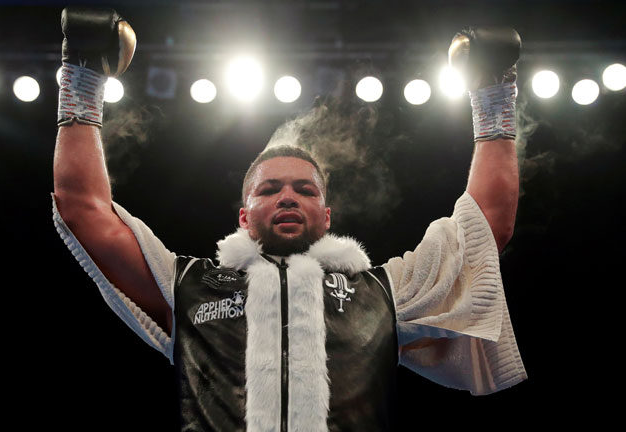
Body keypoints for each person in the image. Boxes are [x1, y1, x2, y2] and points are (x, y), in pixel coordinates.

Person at [52, 7, 527, 432]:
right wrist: (81, 83)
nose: (287, 197)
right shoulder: (189, 284)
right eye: (269, 189)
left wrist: (494, 96)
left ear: (326, 214)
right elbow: (84, 210)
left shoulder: (381, 291)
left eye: (304, 190)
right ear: (243, 214)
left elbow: (483, 227)